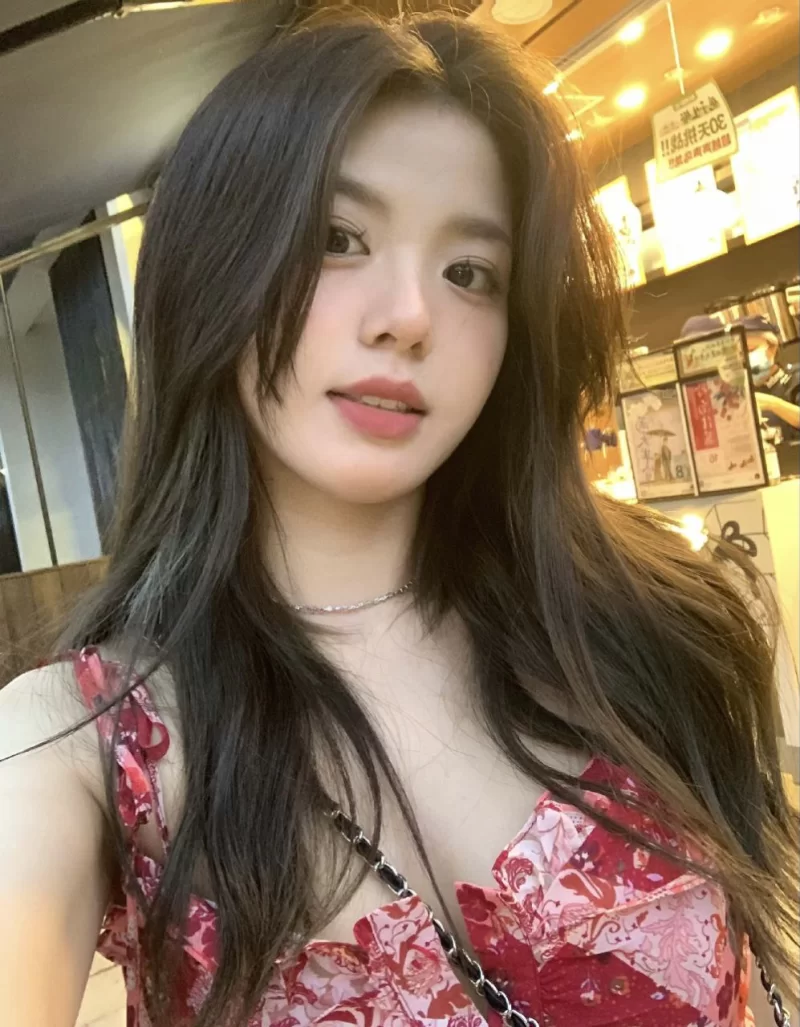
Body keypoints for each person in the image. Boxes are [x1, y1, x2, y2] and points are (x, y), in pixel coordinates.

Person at [1, 12, 797, 1027]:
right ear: (212, 268)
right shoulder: (84, 745)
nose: (410, 315)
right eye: (337, 239)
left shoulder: (654, 628)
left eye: (470, 271)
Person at [680, 312, 800, 436]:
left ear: (772, 347)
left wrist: (773, 404)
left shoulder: (795, 378)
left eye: (750, 350)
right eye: (739, 353)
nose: (744, 358)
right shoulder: (737, 391)